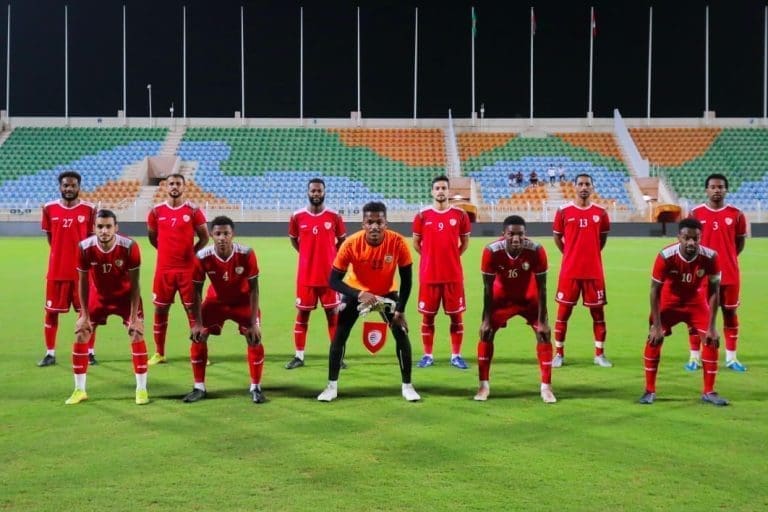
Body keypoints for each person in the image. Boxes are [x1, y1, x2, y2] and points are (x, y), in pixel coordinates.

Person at [317, 201, 420, 402]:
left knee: (401, 333)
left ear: (385, 223)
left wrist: (400, 310)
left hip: (386, 293)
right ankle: (331, 387)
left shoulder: (398, 242)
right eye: (369, 222)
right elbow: (333, 280)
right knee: (339, 336)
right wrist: (358, 294)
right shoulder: (351, 244)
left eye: (379, 222)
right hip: (357, 292)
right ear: (363, 224)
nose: (374, 227)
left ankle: (408, 386)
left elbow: (407, 281)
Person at [639, 218, 728, 406]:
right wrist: (656, 326)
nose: (691, 242)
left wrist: (712, 326)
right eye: (687, 238)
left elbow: (714, 291)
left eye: (696, 238)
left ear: (701, 238)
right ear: (679, 237)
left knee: (711, 340)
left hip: (695, 303)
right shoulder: (665, 256)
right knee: (654, 339)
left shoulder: (711, 257)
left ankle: (709, 391)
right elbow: (654, 290)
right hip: (669, 302)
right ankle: (649, 390)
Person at [65, 210, 149, 405]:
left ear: (116, 227)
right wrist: (84, 315)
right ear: (94, 228)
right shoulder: (84, 247)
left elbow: (135, 284)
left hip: (125, 297)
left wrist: (134, 317)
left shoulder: (130, 246)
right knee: (81, 333)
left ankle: (141, 389)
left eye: (108, 226)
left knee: (136, 333)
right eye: (100, 226)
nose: (104, 231)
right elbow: (83, 282)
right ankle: (79, 390)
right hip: (99, 297)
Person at [184, 216, 266, 404]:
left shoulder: (246, 253)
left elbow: (254, 290)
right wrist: (197, 323)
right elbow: (196, 292)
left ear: (232, 234)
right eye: (218, 234)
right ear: (211, 235)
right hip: (216, 302)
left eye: (226, 233)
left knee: (254, 338)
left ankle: (256, 387)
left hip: (243, 302)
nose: (222, 238)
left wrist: (254, 322)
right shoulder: (202, 256)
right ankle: (199, 387)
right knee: (199, 336)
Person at [474, 215, 556, 403]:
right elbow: (487, 288)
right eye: (511, 234)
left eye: (520, 234)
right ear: (503, 234)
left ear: (525, 234)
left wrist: (542, 321)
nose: (516, 239)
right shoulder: (491, 251)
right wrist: (486, 320)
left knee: (544, 335)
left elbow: (542, 287)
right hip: (501, 300)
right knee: (486, 334)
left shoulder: (536, 250)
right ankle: (483, 386)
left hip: (529, 299)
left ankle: (546, 387)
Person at [686, 173, 748, 372]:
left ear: (726, 190)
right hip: (701, 276)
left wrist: (726, 259)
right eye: (713, 187)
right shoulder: (695, 213)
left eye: (720, 187)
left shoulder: (736, 214)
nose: (717, 190)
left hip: (729, 274)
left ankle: (731, 358)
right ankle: (694, 357)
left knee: (730, 313)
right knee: (697, 315)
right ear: (707, 190)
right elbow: (688, 243)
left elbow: (739, 244)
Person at [146, 173, 209, 365]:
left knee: (193, 310)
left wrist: (191, 252)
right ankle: (159, 353)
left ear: (184, 186)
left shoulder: (193, 211)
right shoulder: (156, 211)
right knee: (160, 309)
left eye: (178, 184)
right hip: (164, 270)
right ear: (166, 186)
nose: (174, 186)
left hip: (187, 271)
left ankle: (199, 352)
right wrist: (165, 251)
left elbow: (204, 237)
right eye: (171, 183)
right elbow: (152, 237)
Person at [285, 178, 347, 370]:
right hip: (306, 277)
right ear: (308, 192)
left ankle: (336, 356)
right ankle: (299, 356)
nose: (316, 194)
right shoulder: (297, 216)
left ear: (324, 192)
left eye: (319, 191)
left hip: (329, 277)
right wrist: (306, 254)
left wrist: (331, 255)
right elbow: (294, 240)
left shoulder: (334, 216)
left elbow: (342, 241)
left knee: (333, 315)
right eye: (313, 191)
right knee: (302, 315)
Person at [552, 173, 612, 368]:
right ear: (574, 187)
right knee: (563, 314)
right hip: (570, 272)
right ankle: (559, 354)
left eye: (587, 184)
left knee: (598, 315)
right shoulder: (563, 211)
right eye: (580, 184)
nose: (584, 187)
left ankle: (599, 355)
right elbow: (557, 237)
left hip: (594, 272)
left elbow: (602, 240)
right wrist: (569, 254)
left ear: (592, 187)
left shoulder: (601, 213)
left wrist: (591, 254)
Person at [412, 175, 471, 369]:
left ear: (448, 191)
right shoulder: (422, 215)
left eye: (443, 188)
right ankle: (428, 355)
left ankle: (456, 356)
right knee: (428, 317)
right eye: (437, 188)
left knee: (456, 317)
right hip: (429, 276)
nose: (440, 191)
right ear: (432, 191)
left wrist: (452, 257)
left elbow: (465, 243)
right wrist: (429, 258)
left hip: (453, 276)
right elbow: (416, 243)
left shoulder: (460, 215)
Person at [39, 171, 97, 367]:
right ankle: (50, 353)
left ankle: (89, 352)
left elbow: (91, 240)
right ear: (60, 187)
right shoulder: (49, 208)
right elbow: (51, 238)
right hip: (57, 272)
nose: (69, 189)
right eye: (66, 185)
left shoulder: (89, 209)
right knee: (51, 313)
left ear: (79, 187)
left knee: (87, 313)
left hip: (82, 274)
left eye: (73, 185)